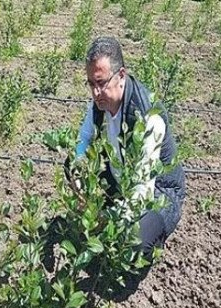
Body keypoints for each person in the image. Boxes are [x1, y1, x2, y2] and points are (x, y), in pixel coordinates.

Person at [73, 36, 186, 267]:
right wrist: (78, 176)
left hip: (157, 193)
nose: (96, 93)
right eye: (91, 84)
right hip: (121, 181)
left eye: (101, 83)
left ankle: (155, 235)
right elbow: (83, 140)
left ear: (121, 75)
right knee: (69, 165)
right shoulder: (99, 104)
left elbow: (142, 193)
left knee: (132, 244)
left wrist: (107, 222)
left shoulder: (148, 118)